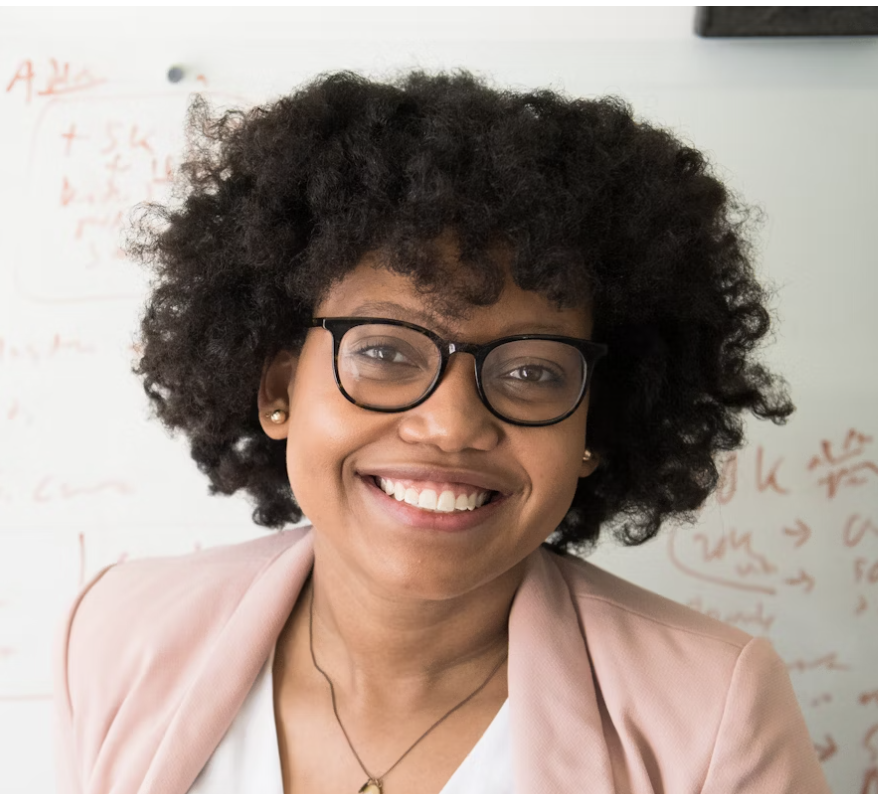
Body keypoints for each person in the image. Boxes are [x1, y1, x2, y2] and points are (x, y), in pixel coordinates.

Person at [53, 71, 831, 793]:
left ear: (597, 422)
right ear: (281, 389)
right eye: (386, 351)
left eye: (532, 371)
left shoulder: (714, 714)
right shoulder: (119, 631)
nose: (452, 424)